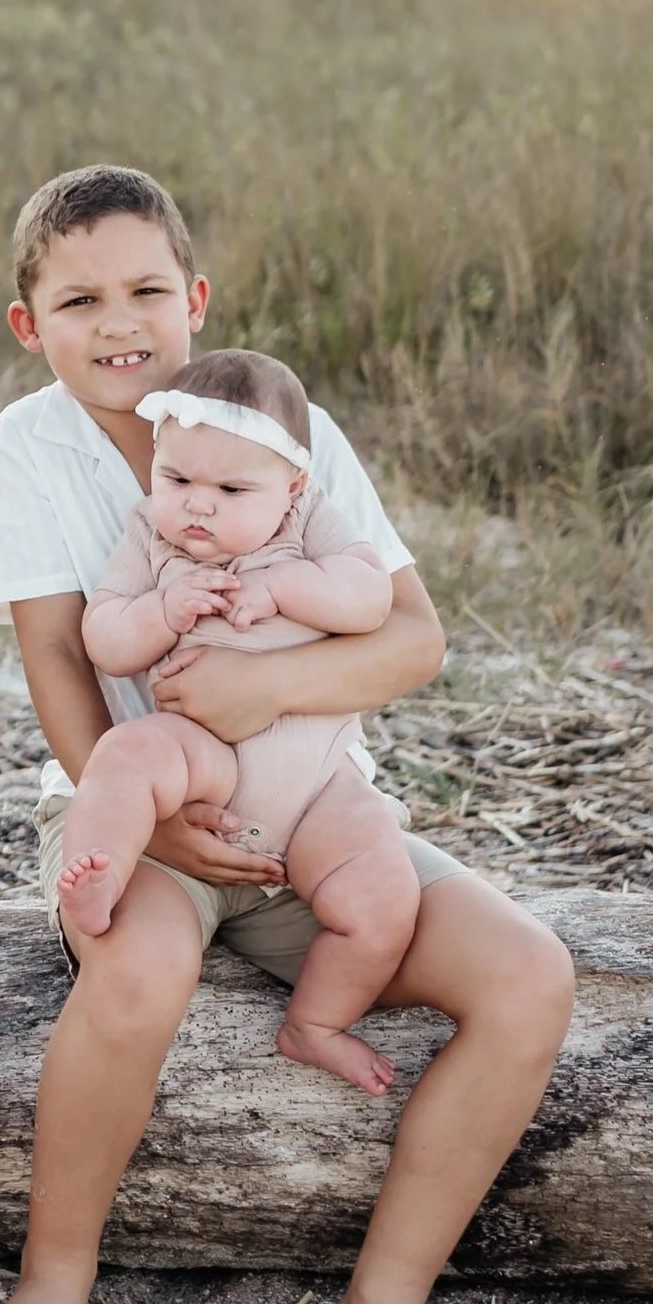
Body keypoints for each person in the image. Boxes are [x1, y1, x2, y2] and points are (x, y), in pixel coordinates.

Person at [0, 165, 574, 1304]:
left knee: (529, 974)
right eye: (77, 298)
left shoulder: (289, 426)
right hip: (134, 798)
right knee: (136, 974)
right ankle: (53, 1277)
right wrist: (150, 822)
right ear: (31, 325)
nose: (115, 320)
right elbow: (62, 667)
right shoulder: (27, 449)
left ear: (193, 298)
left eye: (143, 289)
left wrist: (263, 685)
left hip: (310, 804)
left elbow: (412, 641)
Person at [57, 348, 419, 1095]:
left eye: (229, 488)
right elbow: (105, 638)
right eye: (178, 480)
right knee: (127, 753)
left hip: (319, 782)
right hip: (205, 760)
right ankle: (99, 883)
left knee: (385, 901)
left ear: (291, 487)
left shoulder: (312, 523)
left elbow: (369, 599)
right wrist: (163, 609)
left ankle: (314, 1024)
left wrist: (285, 587)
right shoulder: (151, 538)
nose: (197, 505)